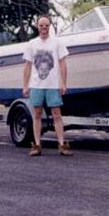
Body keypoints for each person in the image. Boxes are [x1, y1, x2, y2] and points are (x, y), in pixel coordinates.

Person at [22, 14, 72, 156]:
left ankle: (62, 144)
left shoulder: (57, 43)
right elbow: (27, 66)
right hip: (36, 85)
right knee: (37, 114)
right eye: (41, 25)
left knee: (56, 113)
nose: (44, 28)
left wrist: (63, 83)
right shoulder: (32, 44)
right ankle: (37, 144)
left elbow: (62, 64)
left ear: (50, 26)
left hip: (53, 85)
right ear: (37, 26)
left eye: (46, 26)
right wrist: (25, 85)